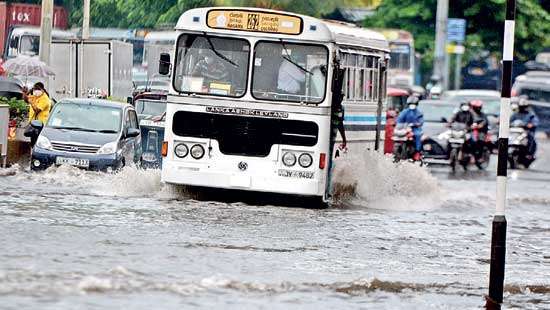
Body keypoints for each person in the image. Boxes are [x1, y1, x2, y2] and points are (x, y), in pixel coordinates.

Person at [23, 82, 52, 146]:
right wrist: (25, 92)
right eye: (34, 89)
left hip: (40, 125)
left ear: (42, 90)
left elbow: (36, 110)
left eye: (37, 89)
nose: (36, 91)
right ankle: (33, 153)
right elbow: (26, 100)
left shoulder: (45, 99)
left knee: (37, 142)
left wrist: (31, 102)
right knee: (33, 142)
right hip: (34, 124)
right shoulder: (35, 97)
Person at [396, 95, 424, 160]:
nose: (412, 105)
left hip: (415, 129)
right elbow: (399, 119)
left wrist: (417, 124)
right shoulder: (405, 112)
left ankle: (417, 152)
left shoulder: (418, 113)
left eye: (413, 104)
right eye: (411, 104)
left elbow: (421, 121)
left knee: (418, 135)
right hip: (405, 128)